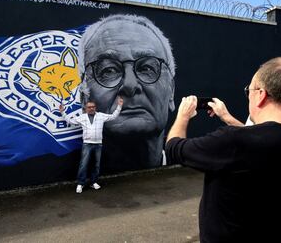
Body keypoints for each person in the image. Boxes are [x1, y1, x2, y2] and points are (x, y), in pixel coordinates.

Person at [165, 57, 281, 242]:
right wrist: (227, 117)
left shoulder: (233, 141)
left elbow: (174, 147)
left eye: (248, 90)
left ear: (261, 95)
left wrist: (183, 116)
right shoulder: (251, 141)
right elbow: (261, 138)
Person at [78, 14, 176, 171]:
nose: (130, 85)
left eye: (147, 68)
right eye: (109, 70)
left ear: (171, 91)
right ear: (84, 97)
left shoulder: (190, 166)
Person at [60, 97, 123, 193]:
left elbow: (113, 116)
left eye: (93, 107)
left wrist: (119, 106)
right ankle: (80, 183)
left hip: (98, 144)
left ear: (95, 108)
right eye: (89, 107)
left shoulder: (101, 116)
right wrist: (62, 112)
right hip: (87, 144)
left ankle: (94, 182)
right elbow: (70, 121)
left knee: (96, 165)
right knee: (83, 164)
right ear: (85, 108)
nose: (91, 108)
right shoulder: (82, 117)